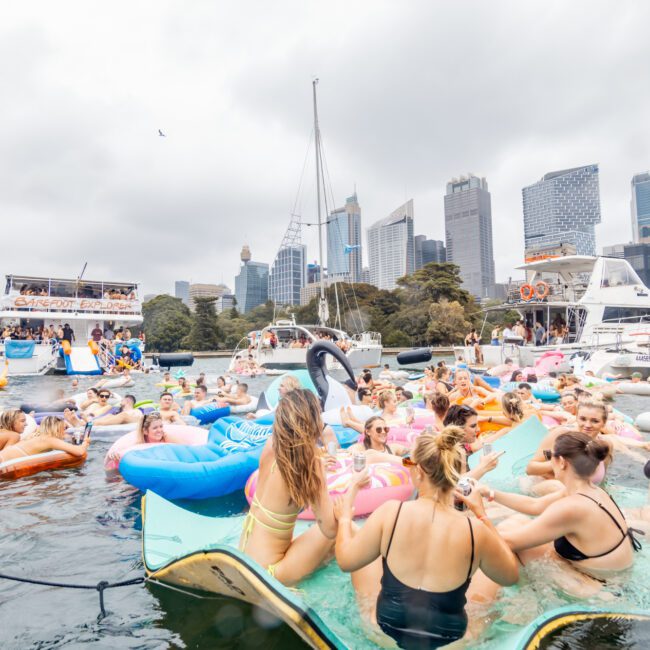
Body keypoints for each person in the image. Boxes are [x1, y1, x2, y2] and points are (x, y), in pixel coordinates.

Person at [334, 427, 518, 649]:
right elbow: (510, 577)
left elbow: (345, 561)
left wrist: (345, 518)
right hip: (451, 644)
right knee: (491, 576)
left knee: (360, 543)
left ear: (419, 471)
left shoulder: (390, 512)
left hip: (384, 634)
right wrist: (482, 515)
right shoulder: (475, 530)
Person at [480, 431, 642, 588]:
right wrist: (489, 493)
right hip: (614, 580)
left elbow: (507, 542)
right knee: (516, 522)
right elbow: (534, 505)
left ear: (562, 462)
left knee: (502, 543)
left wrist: (476, 516)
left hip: (598, 590)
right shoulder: (592, 490)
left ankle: (525, 603)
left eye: (550, 456)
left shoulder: (571, 508)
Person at [239, 389, 337, 585]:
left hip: (245, 558)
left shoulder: (271, 445)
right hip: (271, 574)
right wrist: (323, 479)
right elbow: (330, 529)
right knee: (343, 526)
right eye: (319, 413)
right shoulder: (311, 465)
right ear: (311, 420)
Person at [0, 416, 89, 464]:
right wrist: (86, 441)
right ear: (57, 429)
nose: (65, 431)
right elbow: (79, 452)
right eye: (64, 428)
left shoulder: (37, 436)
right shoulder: (49, 439)